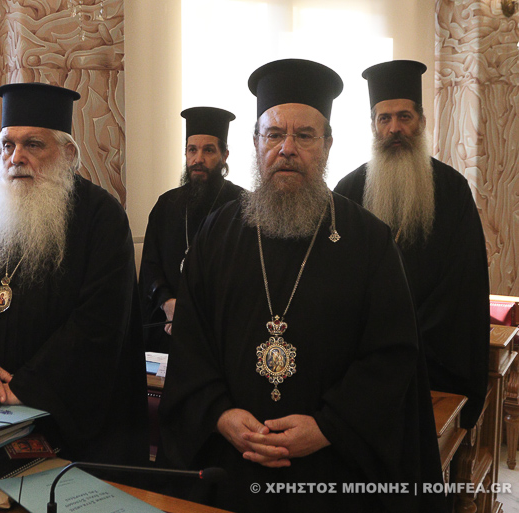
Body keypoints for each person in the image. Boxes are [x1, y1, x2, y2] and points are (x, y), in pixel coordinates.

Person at [159, 59, 444, 512]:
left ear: (327, 145)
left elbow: (391, 355)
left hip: (331, 475)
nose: (286, 148)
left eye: (305, 135)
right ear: (255, 143)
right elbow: (191, 342)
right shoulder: (217, 234)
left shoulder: (369, 240)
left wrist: (329, 427)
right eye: (273, 134)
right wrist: (220, 413)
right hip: (232, 468)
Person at [0, 83, 148, 465]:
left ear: (68, 154)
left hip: (67, 421)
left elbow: (99, 323)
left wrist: (26, 387)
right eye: (7, 145)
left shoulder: (102, 217)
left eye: (33, 144)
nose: (16, 157)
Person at [334, 60, 489, 429]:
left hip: (432, 367)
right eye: (384, 119)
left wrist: (405, 342)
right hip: (361, 364)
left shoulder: (451, 191)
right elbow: (334, 284)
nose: (394, 128)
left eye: (404, 117)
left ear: (421, 121)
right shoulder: (347, 193)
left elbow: (462, 287)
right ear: (373, 126)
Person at [139, 107, 244, 352]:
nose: (198, 159)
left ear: (224, 155)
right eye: (192, 150)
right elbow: (150, 265)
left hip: (222, 331)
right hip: (170, 327)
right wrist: (167, 303)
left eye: (209, 150)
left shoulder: (243, 205)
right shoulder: (166, 204)